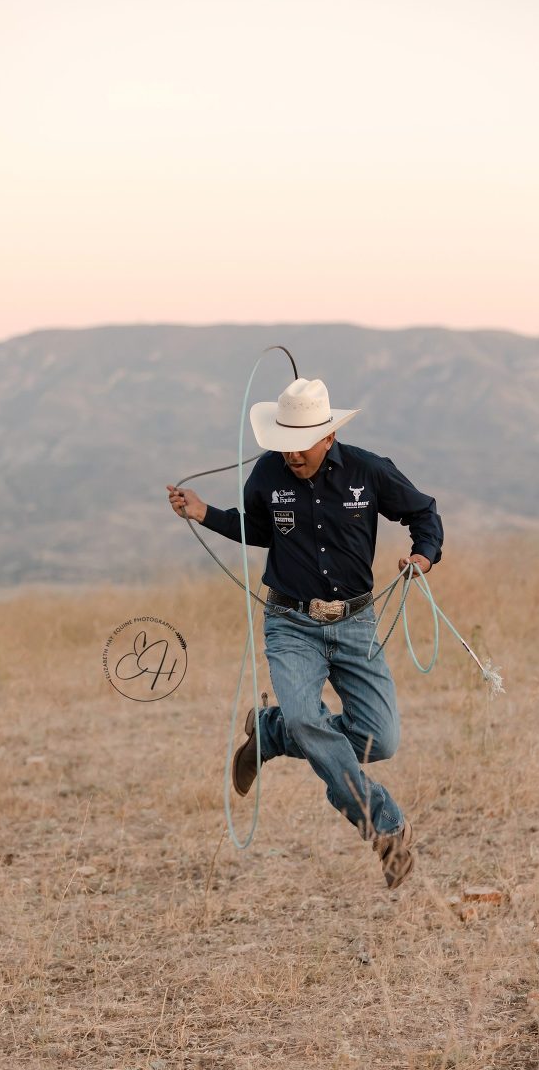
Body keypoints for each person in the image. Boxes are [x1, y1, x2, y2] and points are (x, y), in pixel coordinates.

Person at [166, 377, 443, 888]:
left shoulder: (369, 470)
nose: (291, 454)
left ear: (328, 437)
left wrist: (423, 555)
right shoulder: (266, 473)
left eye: (300, 444)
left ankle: (271, 731)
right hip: (290, 622)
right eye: (283, 443)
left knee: (380, 740)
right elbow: (258, 530)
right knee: (309, 719)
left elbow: (423, 511)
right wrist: (202, 512)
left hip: (356, 622)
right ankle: (385, 829)